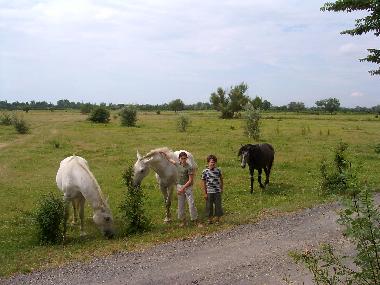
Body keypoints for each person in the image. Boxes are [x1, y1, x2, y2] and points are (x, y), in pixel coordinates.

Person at [160, 151, 203, 227]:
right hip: (180, 187)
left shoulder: (189, 167)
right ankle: (183, 221)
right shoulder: (177, 165)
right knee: (180, 204)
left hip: (187, 187)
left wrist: (183, 188)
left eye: (185, 158)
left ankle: (195, 220)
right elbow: (170, 160)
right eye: (182, 158)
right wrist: (164, 154)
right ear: (179, 159)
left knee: (191, 204)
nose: (183, 160)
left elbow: (190, 180)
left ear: (186, 158)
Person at [201, 154, 224, 224]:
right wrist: (205, 193)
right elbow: (203, 182)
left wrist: (221, 188)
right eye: (211, 162)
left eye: (214, 162)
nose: (212, 163)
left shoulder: (218, 170)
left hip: (217, 191)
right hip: (209, 191)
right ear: (208, 163)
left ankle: (217, 219)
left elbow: (221, 179)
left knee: (218, 205)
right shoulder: (205, 171)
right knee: (209, 206)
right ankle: (209, 219)